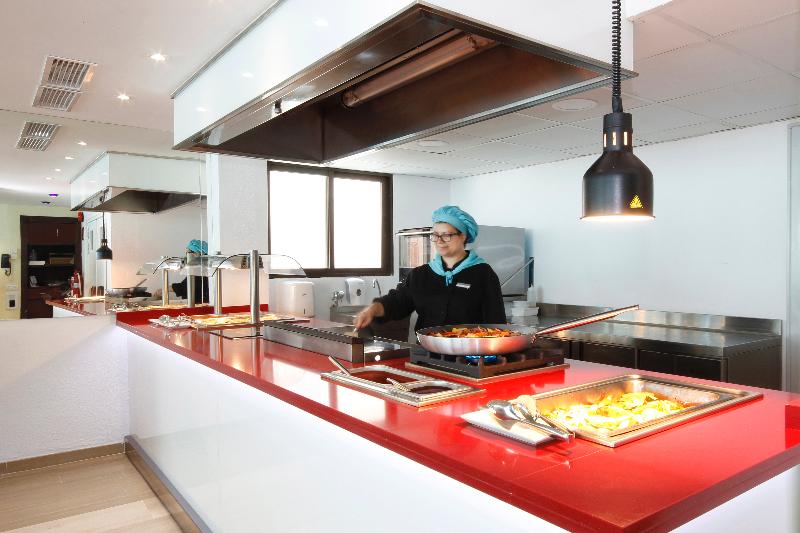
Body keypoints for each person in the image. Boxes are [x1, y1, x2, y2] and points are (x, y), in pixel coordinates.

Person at [355, 205, 506, 332]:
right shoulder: (420, 275)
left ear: (463, 236)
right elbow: (396, 303)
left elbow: (496, 323)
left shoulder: (483, 274)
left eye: (446, 235)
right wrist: (371, 310)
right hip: (426, 353)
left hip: (469, 354)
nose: (439, 241)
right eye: (435, 235)